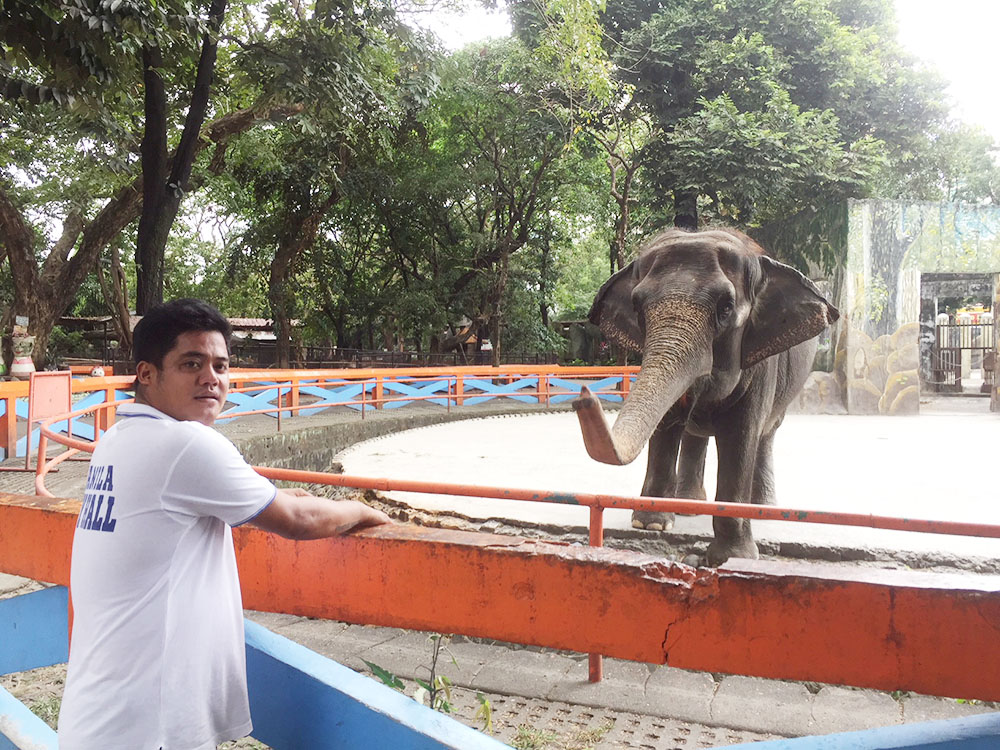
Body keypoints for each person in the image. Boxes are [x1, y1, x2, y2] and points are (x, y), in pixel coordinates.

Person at [57, 298, 391, 750]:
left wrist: (284, 497)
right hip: (149, 727)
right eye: (191, 363)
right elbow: (299, 520)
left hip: (98, 715)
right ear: (147, 373)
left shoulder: (119, 438)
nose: (211, 378)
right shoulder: (184, 445)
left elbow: (247, 498)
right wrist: (365, 511)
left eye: (221, 365)